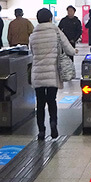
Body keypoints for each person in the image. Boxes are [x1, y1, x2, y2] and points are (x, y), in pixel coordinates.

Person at [29, 8, 76, 140]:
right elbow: (67, 47)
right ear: (50, 19)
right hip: (52, 73)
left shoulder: (33, 35)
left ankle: (41, 131)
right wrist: (74, 51)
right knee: (51, 100)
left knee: (40, 102)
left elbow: (31, 52)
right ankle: (53, 124)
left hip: (37, 73)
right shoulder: (56, 31)